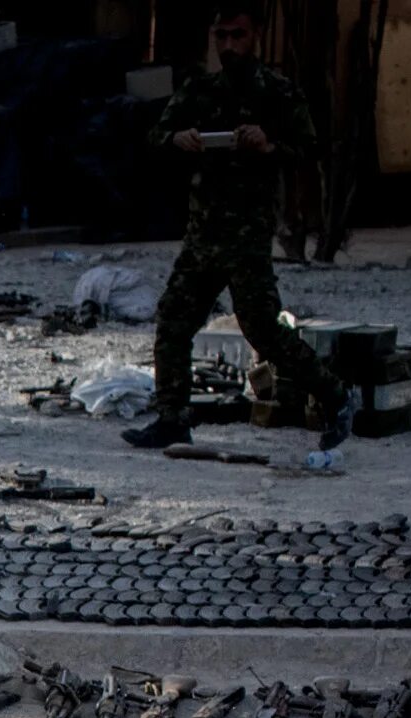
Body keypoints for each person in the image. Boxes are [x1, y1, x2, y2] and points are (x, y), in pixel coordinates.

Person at [123, 6, 353, 454]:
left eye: (238, 36)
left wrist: (268, 145)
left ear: (256, 37)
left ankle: (335, 396)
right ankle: (172, 418)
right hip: (203, 233)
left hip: (246, 235)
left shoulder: (277, 92)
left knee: (263, 330)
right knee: (173, 321)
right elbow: (154, 138)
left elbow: (307, 148)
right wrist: (179, 139)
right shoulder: (200, 89)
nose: (229, 46)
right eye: (222, 36)